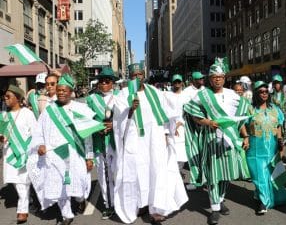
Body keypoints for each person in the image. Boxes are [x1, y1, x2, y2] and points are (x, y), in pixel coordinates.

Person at [113, 63, 188, 224]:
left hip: (155, 140)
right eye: (134, 75)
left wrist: (167, 134)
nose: (137, 78)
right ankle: (140, 203)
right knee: (137, 173)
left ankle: (157, 209)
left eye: (140, 74)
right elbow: (117, 120)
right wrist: (130, 109)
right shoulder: (123, 94)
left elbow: (166, 114)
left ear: (144, 75)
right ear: (129, 76)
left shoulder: (154, 92)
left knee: (157, 171)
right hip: (134, 141)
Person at [184, 57, 250, 225]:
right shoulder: (203, 95)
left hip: (229, 139)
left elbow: (242, 114)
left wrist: (243, 134)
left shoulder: (233, 95)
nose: (217, 79)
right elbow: (191, 112)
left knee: (226, 173)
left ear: (224, 77)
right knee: (214, 174)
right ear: (210, 79)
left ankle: (220, 200)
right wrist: (207, 122)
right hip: (211, 139)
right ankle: (214, 208)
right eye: (214, 77)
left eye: (220, 76)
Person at [27, 74, 96, 225]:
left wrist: (89, 157)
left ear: (71, 91)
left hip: (76, 153)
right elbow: (39, 132)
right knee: (60, 185)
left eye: (64, 90)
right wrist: (40, 145)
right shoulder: (49, 111)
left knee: (80, 182)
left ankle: (80, 199)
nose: (61, 92)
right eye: (58, 90)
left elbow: (88, 136)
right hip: (56, 156)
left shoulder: (81, 108)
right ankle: (67, 214)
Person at [245, 81, 286, 215]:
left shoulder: (275, 109)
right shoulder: (250, 109)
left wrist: (280, 141)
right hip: (255, 149)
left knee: (272, 174)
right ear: (256, 94)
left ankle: (268, 196)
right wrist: (245, 137)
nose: (264, 94)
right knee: (259, 175)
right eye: (260, 92)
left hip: (272, 148)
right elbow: (241, 124)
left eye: (265, 92)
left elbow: (279, 125)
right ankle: (263, 201)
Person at [86, 67, 119, 219]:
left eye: (107, 81)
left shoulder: (120, 96)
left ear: (113, 83)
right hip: (99, 142)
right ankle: (108, 204)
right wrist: (96, 128)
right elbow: (86, 120)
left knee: (118, 174)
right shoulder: (91, 99)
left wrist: (114, 125)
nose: (104, 84)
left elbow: (128, 119)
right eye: (101, 81)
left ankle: (120, 202)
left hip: (117, 142)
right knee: (103, 175)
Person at [0, 85, 37, 224]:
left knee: (23, 183)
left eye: (8, 96)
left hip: (24, 152)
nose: (5, 98)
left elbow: (35, 133)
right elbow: (2, 133)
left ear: (18, 98)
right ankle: (27, 203)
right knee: (16, 182)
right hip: (9, 153)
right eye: (5, 96)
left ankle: (22, 211)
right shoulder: (3, 115)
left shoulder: (27, 113)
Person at [164, 74, 190, 175]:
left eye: (179, 82)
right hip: (170, 126)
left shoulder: (186, 96)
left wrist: (181, 122)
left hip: (182, 127)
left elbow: (189, 112)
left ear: (182, 83)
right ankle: (172, 173)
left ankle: (178, 172)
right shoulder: (167, 95)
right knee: (171, 150)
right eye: (175, 82)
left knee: (181, 153)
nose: (177, 84)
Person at [270, 74, 286, 145]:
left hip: (284, 112)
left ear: (280, 84)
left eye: (278, 83)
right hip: (276, 114)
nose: (276, 85)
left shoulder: (285, 94)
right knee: (278, 127)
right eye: (275, 83)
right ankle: (279, 138)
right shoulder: (271, 95)